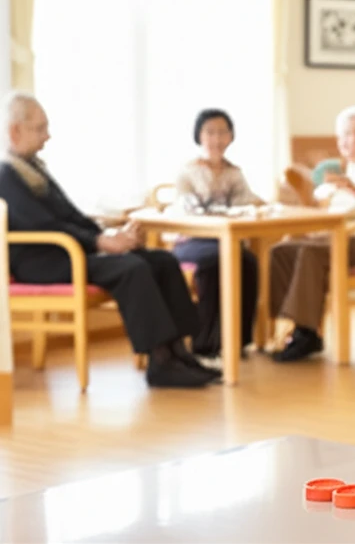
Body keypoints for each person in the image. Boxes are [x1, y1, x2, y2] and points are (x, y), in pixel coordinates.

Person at [0, 92, 217, 388]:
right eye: (40, 129)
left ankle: (180, 352)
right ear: (15, 131)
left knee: (161, 260)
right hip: (44, 262)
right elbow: (44, 224)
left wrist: (113, 236)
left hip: (71, 253)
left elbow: (71, 216)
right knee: (131, 268)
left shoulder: (33, 168)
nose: (47, 136)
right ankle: (160, 361)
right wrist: (101, 243)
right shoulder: (6, 175)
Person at [270, 106, 355, 362]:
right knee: (282, 249)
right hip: (338, 236)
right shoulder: (349, 167)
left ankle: (306, 333)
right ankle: (285, 327)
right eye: (343, 135)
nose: (348, 141)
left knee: (310, 254)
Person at [171, 109, 260, 360]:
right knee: (214, 260)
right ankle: (206, 342)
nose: (217, 138)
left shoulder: (235, 172)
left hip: (227, 238)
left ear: (231, 136)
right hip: (192, 241)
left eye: (223, 132)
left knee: (248, 262)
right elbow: (189, 210)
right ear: (199, 136)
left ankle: (238, 340)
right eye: (210, 132)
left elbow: (245, 205)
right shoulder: (187, 171)